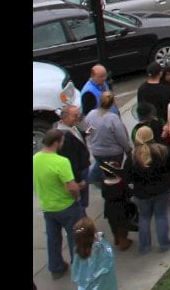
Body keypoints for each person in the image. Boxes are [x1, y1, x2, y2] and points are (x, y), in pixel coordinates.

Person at [125, 126, 170, 254]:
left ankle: (144, 247)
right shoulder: (163, 150)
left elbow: (127, 177)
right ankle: (165, 244)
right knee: (161, 216)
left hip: (141, 194)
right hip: (162, 189)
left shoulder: (132, 156)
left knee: (144, 218)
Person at [35, 128, 84, 280]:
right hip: (66, 206)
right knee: (74, 236)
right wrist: (78, 192)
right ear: (57, 142)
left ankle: (56, 267)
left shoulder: (35, 158)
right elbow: (71, 187)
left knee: (53, 238)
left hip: (47, 206)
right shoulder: (61, 162)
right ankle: (79, 267)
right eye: (62, 141)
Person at [87, 92, 132, 185]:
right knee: (113, 176)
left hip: (97, 152)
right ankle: (112, 192)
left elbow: (87, 129)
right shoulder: (113, 118)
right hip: (113, 153)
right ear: (112, 103)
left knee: (104, 170)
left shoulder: (91, 114)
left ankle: (100, 183)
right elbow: (121, 137)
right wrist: (127, 149)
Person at [57, 104, 92, 209]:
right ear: (65, 117)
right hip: (79, 172)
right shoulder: (64, 137)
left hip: (83, 167)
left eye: (78, 115)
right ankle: (83, 222)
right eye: (75, 116)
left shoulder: (72, 127)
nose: (78, 118)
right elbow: (70, 161)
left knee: (84, 202)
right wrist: (79, 179)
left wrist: (85, 133)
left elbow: (78, 135)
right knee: (82, 203)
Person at [97, 161, 134, 251]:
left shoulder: (105, 183)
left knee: (113, 225)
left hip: (109, 208)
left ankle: (116, 238)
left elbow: (104, 195)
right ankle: (123, 243)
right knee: (122, 226)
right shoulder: (120, 183)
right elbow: (128, 193)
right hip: (121, 208)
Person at [72, 217, 118, 290]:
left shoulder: (78, 250)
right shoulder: (99, 249)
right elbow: (109, 258)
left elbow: (77, 270)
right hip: (104, 285)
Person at [136, 61, 170, 135]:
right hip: (163, 125)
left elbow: (140, 106)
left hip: (147, 125)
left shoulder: (141, 88)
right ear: (160, 73)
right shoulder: (166, 89)